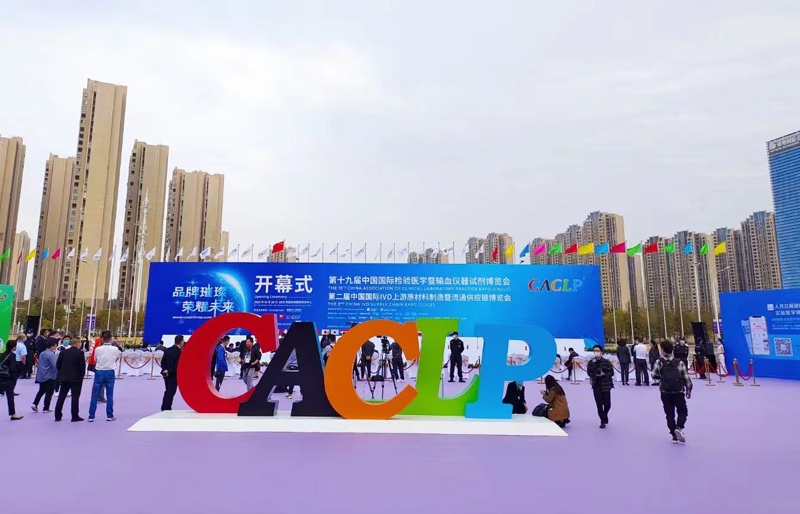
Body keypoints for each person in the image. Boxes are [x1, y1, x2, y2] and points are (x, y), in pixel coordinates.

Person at [652, 341, 693, 443]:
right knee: (683, 411)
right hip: (678, 391)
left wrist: (662, 377)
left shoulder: (659, 362)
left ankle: (673, 435)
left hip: (665, 391)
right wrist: (688, 388)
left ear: (663, 350)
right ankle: (679, 427)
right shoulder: (679, 362)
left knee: (669, 414)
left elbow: (654, 375)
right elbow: (685, 377)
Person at [87, 331, 121, 422]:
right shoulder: (115, 349)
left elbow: (95, 359)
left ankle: (91, 416)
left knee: (94, 395)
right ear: (110, 339)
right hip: (110, 371)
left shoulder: (98, 349)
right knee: (110, 394)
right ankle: (110, 415)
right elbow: (116, 358)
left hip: (99, 371)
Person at [54, 335, 85, 422]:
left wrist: (62, 373)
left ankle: (57, 415)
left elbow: (58, 365)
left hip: (64, 377)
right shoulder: (80, 353)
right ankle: (74, 416)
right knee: (75, 397)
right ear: (77, 343)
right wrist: (81, 376)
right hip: (76, 378)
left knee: (61, 396)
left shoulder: (63, 353)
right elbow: (82, 367)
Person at [586, 345, 614, 428]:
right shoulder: (591, 362)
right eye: (594, 350)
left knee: (607, 404)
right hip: (596, 385)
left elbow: (612, 373)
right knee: (599, 404)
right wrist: (595, 375)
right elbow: (589, 372)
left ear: (601, 352)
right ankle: (602, 420)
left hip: (606, 385)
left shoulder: (606, 362)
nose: (596, 352)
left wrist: (604, 374)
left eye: (597, 350)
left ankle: (605, 414)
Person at [32, 338, 58, 412]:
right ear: (52, 346)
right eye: (55, 346)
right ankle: (46, 407)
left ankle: (35, 403)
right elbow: (54, 365)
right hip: (50, 375)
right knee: (49, 392)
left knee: (41, 390)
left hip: (41, 375)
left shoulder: (42, 353)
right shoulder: (51, 355)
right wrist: (57, 374)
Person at [0, 339, 23, 420]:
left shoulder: (2, 354)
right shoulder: (12, 355)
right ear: (14, 347)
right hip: (8, 378)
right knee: (10, 397)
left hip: (1, 377)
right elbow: (12, 368)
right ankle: (13, 414)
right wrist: (15, 376)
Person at [161, 335, 184, 410]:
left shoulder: (167, 350)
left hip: (166, 374)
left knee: (167, 390)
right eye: (183, 341)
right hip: (173, 374)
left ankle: (164, 406)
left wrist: (165, 370)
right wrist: (169, 371)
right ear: (180, 342)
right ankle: (167, 408)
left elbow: (162, 361)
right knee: (171, 392)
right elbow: (177, 365)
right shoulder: (179, 352)